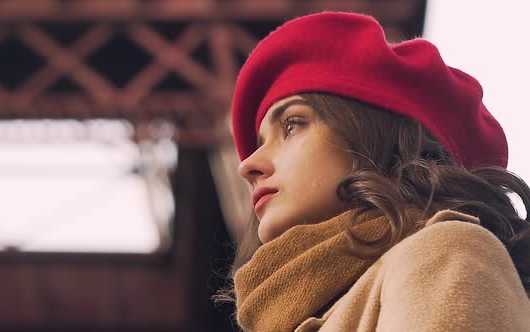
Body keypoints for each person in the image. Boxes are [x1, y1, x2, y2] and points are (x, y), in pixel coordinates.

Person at [215, 11, 530, 332]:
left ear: (373, 137)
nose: (247, 165)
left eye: (292, 125)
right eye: (260, 143)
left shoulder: (445, 251)